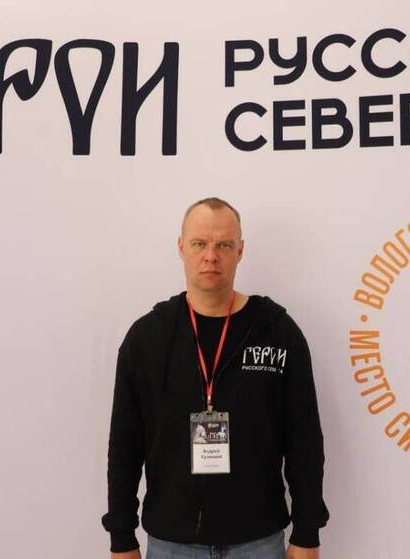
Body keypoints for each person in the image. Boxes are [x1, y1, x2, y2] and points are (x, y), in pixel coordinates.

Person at [102, 197, 328, 559]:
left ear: (240, 250)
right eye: (199, 243)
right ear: (181, 247)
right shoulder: (147, 338)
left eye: (224, 244)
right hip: (171, 545)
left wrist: (307, 532)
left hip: (259, 543)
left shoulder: (278, 332)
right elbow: (125, 444)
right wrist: (121, 537)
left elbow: (304, 440)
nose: (211, 256)